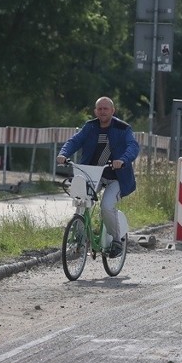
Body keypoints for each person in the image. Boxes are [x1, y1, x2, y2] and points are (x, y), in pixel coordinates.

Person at [56, 97, 139, 257]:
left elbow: (132, 147)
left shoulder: (123, 128)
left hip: (117, 177)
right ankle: (80, 240)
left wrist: (122, 160)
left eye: (105, 109)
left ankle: (116, 241)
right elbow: (75, 141)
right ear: (95, 111)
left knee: (106, 207)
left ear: (112, 111)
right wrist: (63, 154)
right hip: (93, 175)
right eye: (99, 109)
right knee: (80, 201)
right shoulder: (90, 127)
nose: (102, 111)